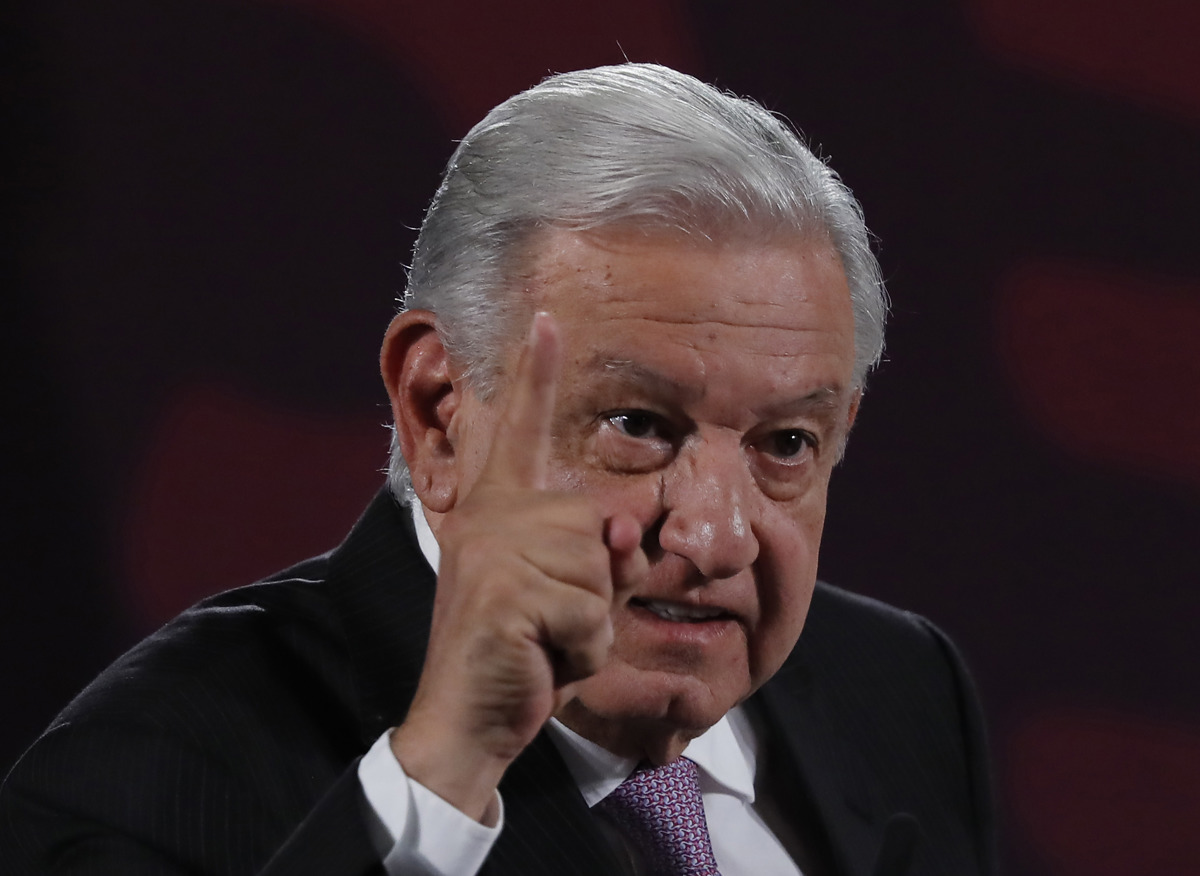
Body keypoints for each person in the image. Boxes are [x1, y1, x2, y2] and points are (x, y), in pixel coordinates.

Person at [0, 64, 996, 875]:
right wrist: (441, 779)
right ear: (438, 409)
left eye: (786, 443)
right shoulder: (156, 765)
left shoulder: (901, 689)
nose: (712, 534)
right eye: (637, 424)